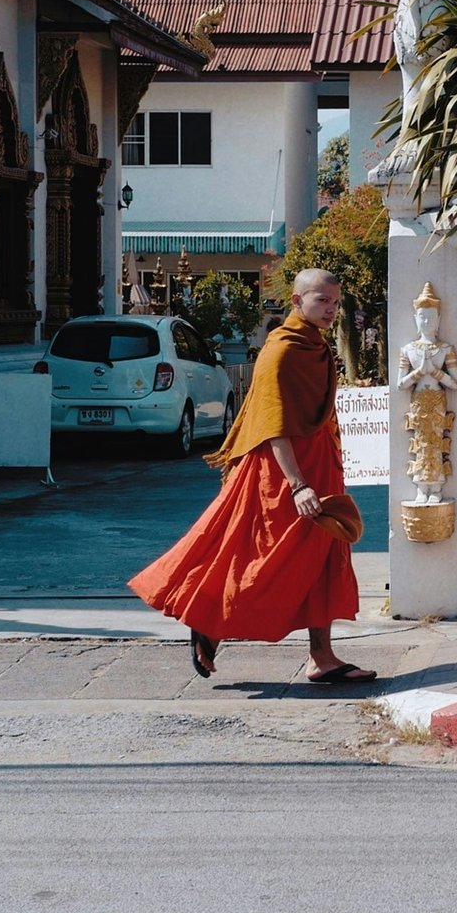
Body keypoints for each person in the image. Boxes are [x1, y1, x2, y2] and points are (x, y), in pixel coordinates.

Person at [130, 268, 373, 684]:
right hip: (284, 476)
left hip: (319, 465)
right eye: (322, 301)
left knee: (325, 558)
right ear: (297, 301)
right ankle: (210, 621)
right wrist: (298, 485)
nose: (331, 309)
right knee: (267, 562)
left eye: (335, 303)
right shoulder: (281, 350)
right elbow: (273, 424)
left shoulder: (314, 344)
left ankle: (322, 657)